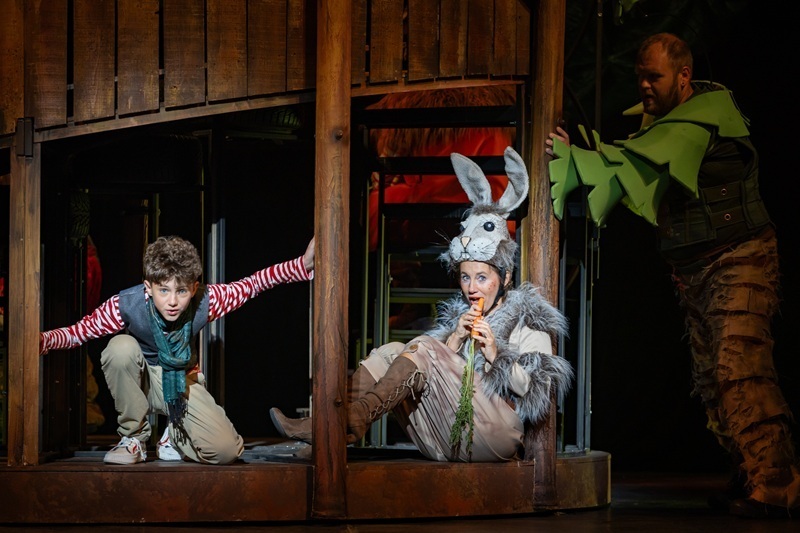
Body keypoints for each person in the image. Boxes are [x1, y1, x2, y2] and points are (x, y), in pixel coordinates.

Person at [546, 32, 799, 518]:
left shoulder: (700, 121)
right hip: (696, 269)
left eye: (654, 77)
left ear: (683, 76)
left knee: (739, 369)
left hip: (738, 258)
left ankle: (776, 482)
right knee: (712, 379)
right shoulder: (664, 122)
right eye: (639, 76)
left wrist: (576, 158)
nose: (644, 85)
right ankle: (751, 471)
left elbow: (634, 162)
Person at [271, 147, 574, 462]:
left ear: (506, 276)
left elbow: (538, 392)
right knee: (391, 352)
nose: (471, 288)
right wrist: (454, 340)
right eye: (465, 277)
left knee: (426, 347)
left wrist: (495, 354)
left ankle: (343, 424)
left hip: (495, 434)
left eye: (482, 278)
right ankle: (327, 430)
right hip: (451, 431)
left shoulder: (527, 319)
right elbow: (441, 377)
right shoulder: (463, 318)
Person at [40, 235, 315, 465]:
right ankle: (133, 438)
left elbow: (253, 284)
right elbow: (80, 331)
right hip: (142, 381)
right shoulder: (125, 303)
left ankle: (174, 437)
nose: (172, 301)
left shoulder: (206, 299)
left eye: (181, 291)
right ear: (148, 287)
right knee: (120, 348)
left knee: (226, 451)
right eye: (163, 291)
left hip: (181, 382)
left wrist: (301, 264)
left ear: (193, 288)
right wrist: (44, 340)